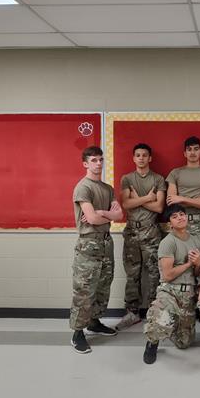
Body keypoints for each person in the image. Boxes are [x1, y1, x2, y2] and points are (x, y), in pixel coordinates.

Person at [70, 146, 123, 354]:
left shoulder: (107, 188)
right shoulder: (83, 188)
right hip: (88, 244)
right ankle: (77, 332)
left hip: (106, 242)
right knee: (84, 290)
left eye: (100, 160)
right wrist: (107, 214)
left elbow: (119, 216)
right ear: (85, 163)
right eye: (94, 160)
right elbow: (90, 220)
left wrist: (102, 212)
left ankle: (94, 321)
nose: (98, 163)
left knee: (103, 285)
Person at [143, 204, 200, 364]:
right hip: (169, 291)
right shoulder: (168, 242)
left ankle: (174, 323)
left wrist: (198, 264)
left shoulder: (196, 240)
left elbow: (197, 273)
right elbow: (168, 275)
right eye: (174, 216)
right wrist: (189, 264)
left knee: (184, 343)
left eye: (182, 214)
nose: (180, 218)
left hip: (188, 293)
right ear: (170, 223)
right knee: (159, 321)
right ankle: (152, 343)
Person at [116, 143, 166, 330]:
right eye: (138, 155)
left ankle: (154, 311)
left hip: (151, 231)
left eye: (145, 155)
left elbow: (159, 207)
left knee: (154, 273)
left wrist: (137, 199)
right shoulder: (127, 179)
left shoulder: (158, 179)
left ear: (150, 158)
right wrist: (147, 198)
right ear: (133, 158)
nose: (141, 158)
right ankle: (132, 312)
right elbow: (126, 204)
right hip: (131, 232)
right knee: (132, 274)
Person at [166, 136, 200, 277]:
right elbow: (171, 201)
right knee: (181, 258)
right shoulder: (175, 173)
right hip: (181, 222)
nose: (192, 152)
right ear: (184, 153)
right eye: (189, 150)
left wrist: (181, 198)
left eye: (196, 149)